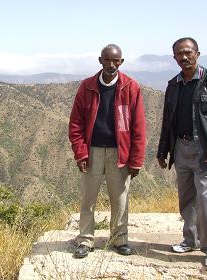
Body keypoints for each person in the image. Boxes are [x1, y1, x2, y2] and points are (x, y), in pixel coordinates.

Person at [157, 37, 207, 267]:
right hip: (181, 148)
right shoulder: (174, 84)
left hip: (206, 150)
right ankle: (189, 239)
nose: (184, 57)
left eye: (188, 53)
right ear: (174, 58)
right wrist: (163, 150)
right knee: (187, 199)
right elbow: (167, 121)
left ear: (197, 53)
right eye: (179, 54)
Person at [68, 44, 146, 258]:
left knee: (120, 198)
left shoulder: (130, 87)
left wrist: (136, 159)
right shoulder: (88, 87)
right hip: (92, 151)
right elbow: (76, 123)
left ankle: (119, 239)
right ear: (100, 60)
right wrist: (80, 153)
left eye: (115, 60)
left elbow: (139, 127)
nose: (111, 64)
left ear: (121, 62)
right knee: (88, 198)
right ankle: (85, 240)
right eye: (107, 60)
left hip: (119, 152)